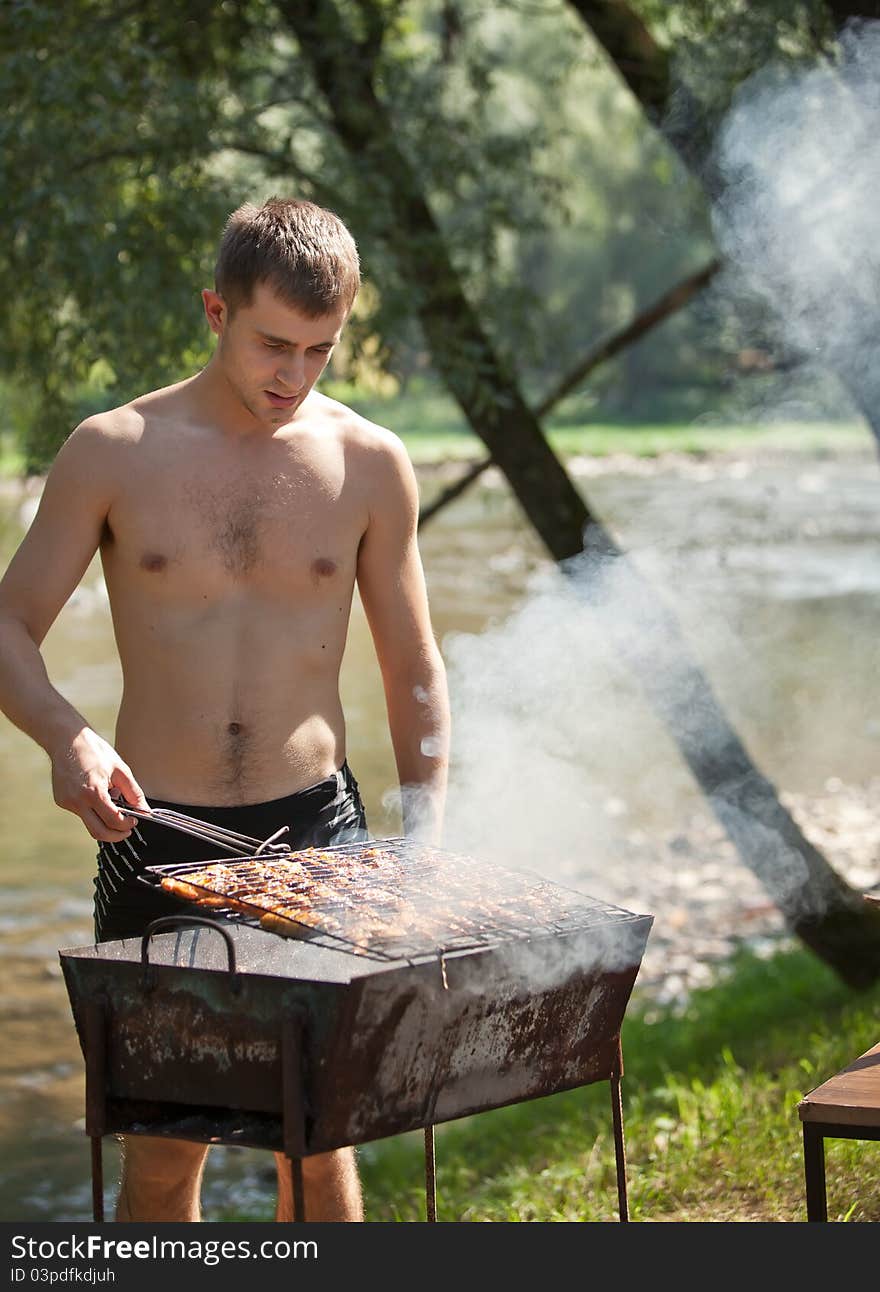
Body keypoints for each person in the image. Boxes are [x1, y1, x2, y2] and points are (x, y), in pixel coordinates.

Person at [0, 196, 451, 1222]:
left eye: (321, 350)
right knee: (165, 1152)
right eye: (272, 345)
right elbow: (9, 622)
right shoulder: (112, 448)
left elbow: (413, 661)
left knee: (318, 1145)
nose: (292, 375)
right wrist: (66, 735)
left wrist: (425, 828)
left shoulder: (370, 462)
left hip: (320, 840)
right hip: (154, 837)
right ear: (215, 310)